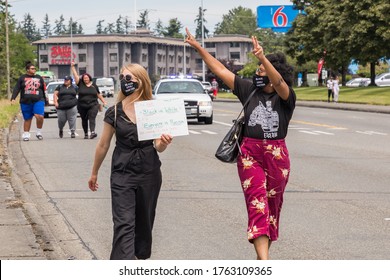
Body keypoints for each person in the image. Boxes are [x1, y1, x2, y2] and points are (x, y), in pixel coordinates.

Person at [185, 28, 296, 260]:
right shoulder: (248, 89)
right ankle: (265, 263)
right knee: (257, 204)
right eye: (258, 68)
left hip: (277, 155)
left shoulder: (285, 97)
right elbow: (220, 69)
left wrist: (263, 57)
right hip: (249, 154)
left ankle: (260, 259)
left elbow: (279, 83)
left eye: (261, 69)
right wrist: (198, 48)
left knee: (272, 210)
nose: (257, 72)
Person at [88, 63, 173, 260]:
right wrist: (94, 172)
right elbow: (103, 145)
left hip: (149, 172)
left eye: (128, 78)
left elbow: (158, 145)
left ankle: (138, 259)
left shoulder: (153, 110)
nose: (124, 82)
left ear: (140, 81)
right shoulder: (114, 112)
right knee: (124, 223)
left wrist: (165, 143)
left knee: (144, 224)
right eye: (122, 78)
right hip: (122, 173)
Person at [10, 61, 47, 141]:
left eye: (35, 69)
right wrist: (13, 98)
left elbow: (43, 90)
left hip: (38, 100)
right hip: (25, 101)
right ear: (27, 70)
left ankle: (38, 132)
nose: (34, 70)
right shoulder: (22, 78)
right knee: (27, 118)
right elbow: (17, 88)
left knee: (39, 116)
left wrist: (45, 99)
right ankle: (26, 134)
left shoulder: (39, 77)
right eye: (32, 69)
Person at [71, 62, 107, 139]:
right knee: (84, 119)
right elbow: (76, 76)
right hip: (82, 105)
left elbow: (98, 94)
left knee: (92, 117)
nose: (85, 79)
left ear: (90, 78)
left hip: (93, 104)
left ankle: (93, 132)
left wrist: (104, 101)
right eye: (84, 78)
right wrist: (73, 67)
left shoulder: (94, 85)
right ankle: (86, 133)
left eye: (87, 78)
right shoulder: (80, 83)